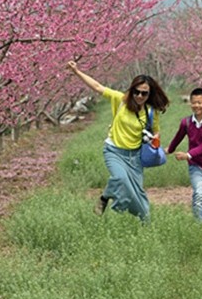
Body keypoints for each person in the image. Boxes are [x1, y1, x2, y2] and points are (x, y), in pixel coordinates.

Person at [66, 61, 169, 220]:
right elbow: (97, 87)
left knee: (138, 193)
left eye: (144, 93)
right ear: (132, 89)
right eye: (137, 92)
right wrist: (77, 71)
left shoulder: (150, 111)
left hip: (135, 156)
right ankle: (110, 201)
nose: (140, 96)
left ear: (149, 94)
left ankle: (145, 222)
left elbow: (156, 130)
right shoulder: (119, 99)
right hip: (114, 151)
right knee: (121, 179)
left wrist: (155, 139)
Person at [166, 87, 202, 228]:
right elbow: (178, 138)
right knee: (198, 195)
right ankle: (200, 228)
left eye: (199, 102)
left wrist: (188, 154)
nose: (196, 105)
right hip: (195, 165)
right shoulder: (186, 122)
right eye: (193, 102)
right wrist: (169, 150)